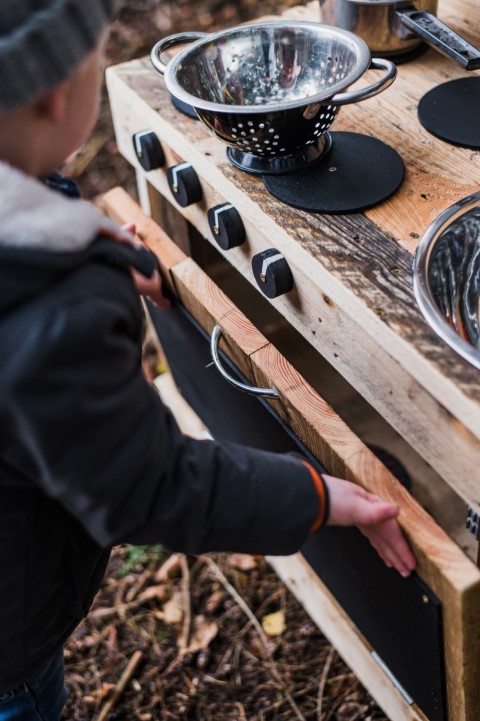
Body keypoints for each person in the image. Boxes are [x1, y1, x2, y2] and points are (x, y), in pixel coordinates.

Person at [0, 1, 416, 718]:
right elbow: (151, 487)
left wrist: (85, 241)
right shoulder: (52, 315)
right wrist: (321, 495)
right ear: (54, 95)